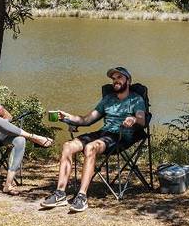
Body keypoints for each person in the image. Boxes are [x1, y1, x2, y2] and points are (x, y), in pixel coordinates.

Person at [40, 66, 146, 213]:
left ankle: (82, 196)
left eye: (119, 78)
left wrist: (133, 119)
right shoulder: (108, 99)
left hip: (120, 136)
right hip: (103, 133)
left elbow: (142, 120)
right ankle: (60, 194)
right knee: (67, 146)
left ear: (128, 80)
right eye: (114, 78)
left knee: (90, 147)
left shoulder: (136, 99)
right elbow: (86, 120)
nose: (116, 81)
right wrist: (68, 118)